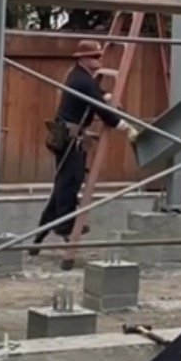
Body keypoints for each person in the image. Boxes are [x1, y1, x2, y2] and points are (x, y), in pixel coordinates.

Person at [32, 36, 121, 256]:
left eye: (99, 56)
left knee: (63, 182)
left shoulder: (82, 78)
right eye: (94, 57)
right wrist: (123, 125)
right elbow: (101, 109)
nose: (98, 60)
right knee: (70, 181)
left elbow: (94, 97)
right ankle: (65, 223)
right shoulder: (82, 80)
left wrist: (105, 97)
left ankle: (39, 238)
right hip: (70, 137)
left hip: (69, 135)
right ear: (82, 59)